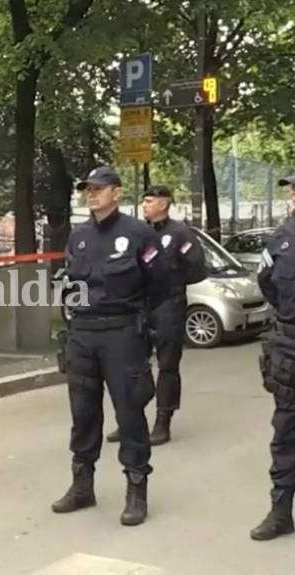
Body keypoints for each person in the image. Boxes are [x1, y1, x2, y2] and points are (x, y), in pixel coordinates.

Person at [52, 166, 170, 526]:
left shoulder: (137, 233)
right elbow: (71, 283)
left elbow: (161, 284)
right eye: (88, 189)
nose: (92, 193)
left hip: (122, 333)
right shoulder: (79, 235)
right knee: (83, 413)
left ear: (117, 193)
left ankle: (136, 489)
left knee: (130, 413)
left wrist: (140, 322)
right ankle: (82, 486)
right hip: (83, 334)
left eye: (99, 188)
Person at [105, 185, 206, 445]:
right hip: (141, 304)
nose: (145, 205)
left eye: (150, 201)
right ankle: (128, 421)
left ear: (164, 203)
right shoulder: (138, 233)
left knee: (167, 365)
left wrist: (173, 284)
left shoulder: (180, 233)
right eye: (144, 201)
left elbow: (196, 268)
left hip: (169, 306)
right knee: (131, 364)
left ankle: (163, 423)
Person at [250, 174, 295, 541]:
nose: (293, 194)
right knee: (285, 436)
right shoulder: (281, 238)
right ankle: (280, 512)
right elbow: (267, 283)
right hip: (290, 350)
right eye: (292, 188)